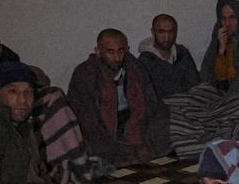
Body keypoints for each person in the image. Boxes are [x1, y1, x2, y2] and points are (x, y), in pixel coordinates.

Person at [0, 26, 107, 184]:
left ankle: (76, 163)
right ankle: (33, 175)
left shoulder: (8, 69)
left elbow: (41, 80)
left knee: (52, 96)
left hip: (16, 121)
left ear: (0, 49)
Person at [67, 29, 170, 167]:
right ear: (98, 51)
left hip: (131, 121)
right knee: (91, 143)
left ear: (127, 49)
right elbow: (86, 117)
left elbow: (151, 103)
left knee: (165, 122)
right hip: (101, 126)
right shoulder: (85, 74)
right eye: (110, 52)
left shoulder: (135, 68)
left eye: (121, 51)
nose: (117, 57)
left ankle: (134, 152)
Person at [137, 13, 199, 102]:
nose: (167, 37)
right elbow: (151, 96)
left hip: (190, 104)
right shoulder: (145, 61)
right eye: (161, 32)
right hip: (164, 110)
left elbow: (195, 83)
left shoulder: (183, 53)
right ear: (153, 32)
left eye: (171, 32)